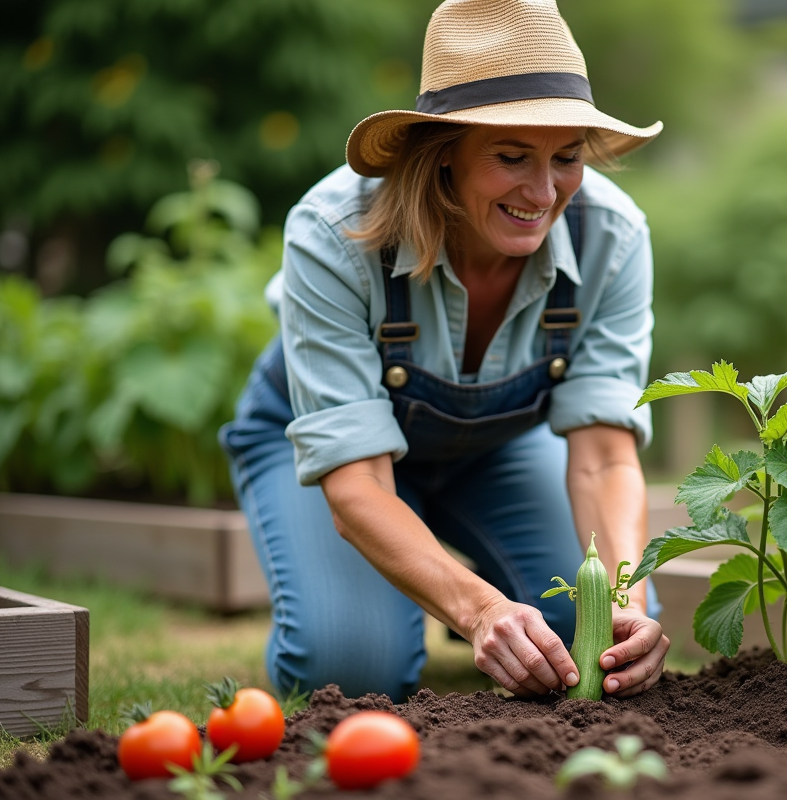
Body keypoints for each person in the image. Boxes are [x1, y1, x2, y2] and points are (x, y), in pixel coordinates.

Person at [219, 0, 669, 703]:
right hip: (333, 460)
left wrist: (629, 601)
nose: (545, 191)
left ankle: (473, 583)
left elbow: (606, 456)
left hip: (496, 448)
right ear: (442, 158)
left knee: (594, 634)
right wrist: (479, 609)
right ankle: (445, 593)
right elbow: (358, 485)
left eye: (568, 157)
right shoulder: (333, 233)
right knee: (353, 670)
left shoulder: (612, 236)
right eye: (512, 157)